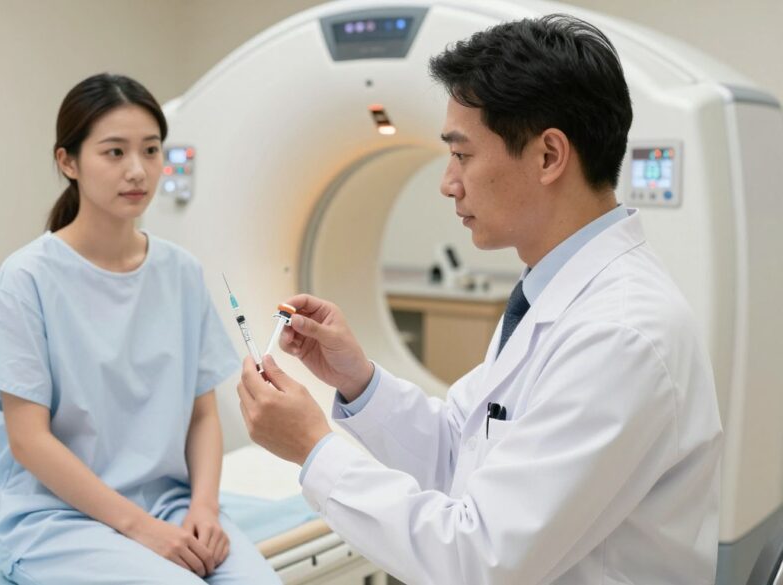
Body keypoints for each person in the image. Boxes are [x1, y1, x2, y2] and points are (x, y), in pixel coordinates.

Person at [236, 15, 722, 585]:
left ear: (549, 156)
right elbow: (459, 450)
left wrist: (312, 448)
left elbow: (477, 560)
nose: (448, 182)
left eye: (462, 155)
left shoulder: (620, 335)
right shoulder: (548, 294)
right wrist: (358, 380)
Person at [0, 73, 280, 585]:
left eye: (151, 150)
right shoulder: (27, 278)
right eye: (114, 152)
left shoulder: (180, 272)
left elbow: (202, 414)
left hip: (170, 503)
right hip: (57, 517)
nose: (137, 170)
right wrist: (141, 529)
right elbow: (28, 440)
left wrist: (204, 507)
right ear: (68, 162)